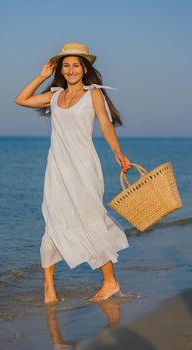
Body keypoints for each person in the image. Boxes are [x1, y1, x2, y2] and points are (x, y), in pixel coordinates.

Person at [15, 42, 132, 305]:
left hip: (83, 167)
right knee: (53, 220)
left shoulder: (93, 94)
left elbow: (105, 124)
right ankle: (49, 290)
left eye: (75, 65)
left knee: (89, 219)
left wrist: (118, 152)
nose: (70, 70)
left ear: (84, 68)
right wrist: (42, 76)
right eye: (66, 65)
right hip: (57, 167)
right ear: (60, 69)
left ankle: (110, 281)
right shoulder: (55, 95)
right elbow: (20, 99)